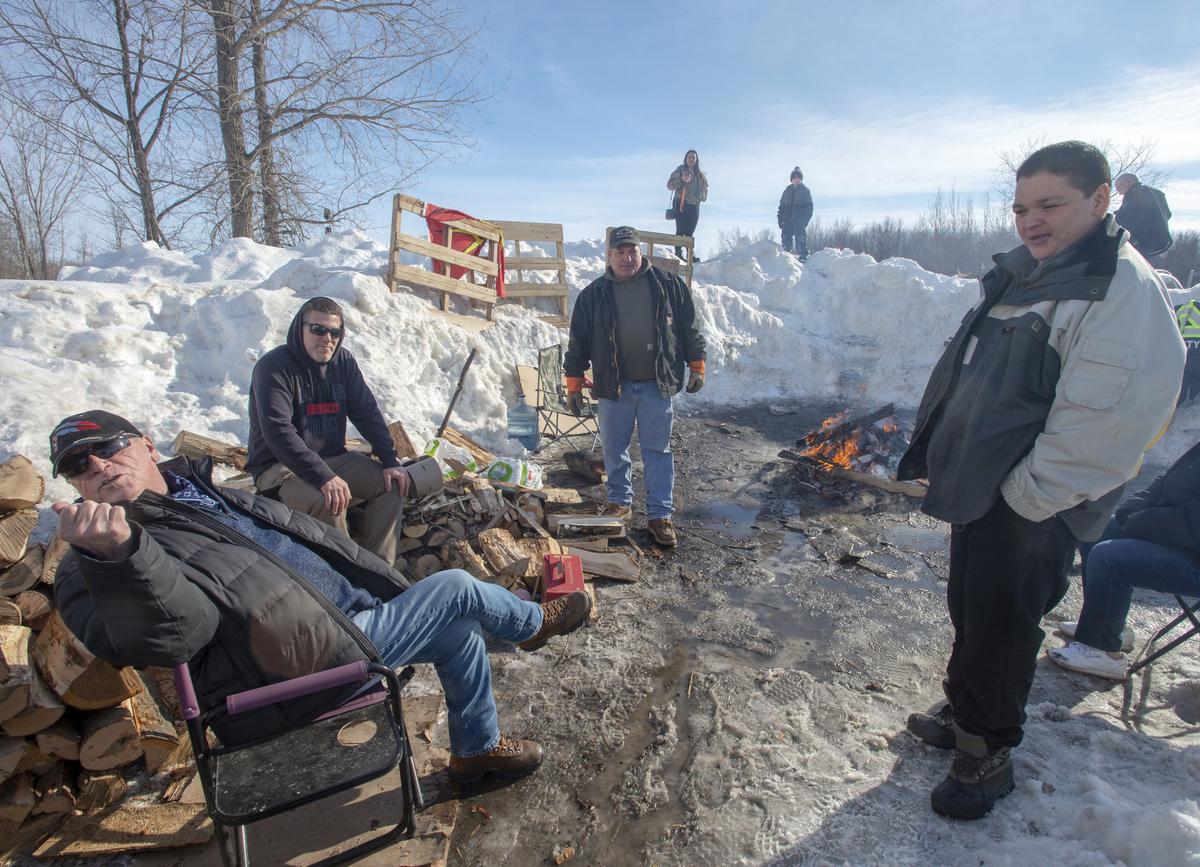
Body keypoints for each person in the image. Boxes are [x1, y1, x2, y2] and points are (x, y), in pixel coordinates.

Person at [49, 409, 592, 782]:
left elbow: (313, 543)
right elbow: (173, 635)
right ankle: (531, 624)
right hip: (291, 678)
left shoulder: (206, 494)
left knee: (458, 631)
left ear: (145, 445)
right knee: (453, 587)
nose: (96, 466)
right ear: (74, 486)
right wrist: (122, 556)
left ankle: (474, 752)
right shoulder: (92, 564)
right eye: (78, 465)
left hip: (341, 622)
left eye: (106, 448)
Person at [896, 141, 1185, 821]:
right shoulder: (1034, 274)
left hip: (1033, 502)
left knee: (1002, 623)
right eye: (1022, 206)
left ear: (1101, 197)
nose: (1031, 219)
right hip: (988, 488)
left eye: (1050, 204)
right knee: (971, 609)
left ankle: (986, 754)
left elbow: (1105, 426)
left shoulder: (1120, 290)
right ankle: (967, 711)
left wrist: (1025, 497)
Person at [563, 226, 706, 548]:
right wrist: (573, 384)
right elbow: (578, 344)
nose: (627, 258)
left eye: (632, 251)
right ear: (609, 256)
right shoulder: (593, 295)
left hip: (658, 384)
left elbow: (689, 328)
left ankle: (660, 515)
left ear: (641, 253)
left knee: (657, 451)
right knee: (615, 450)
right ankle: (620, 502)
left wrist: (696, 364)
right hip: (614, 387)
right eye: (620, 252)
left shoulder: (669, 286)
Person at [246, 296, 409, 566]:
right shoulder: (273, 367)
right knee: (328, 499)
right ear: (300, 328)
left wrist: (390, 460)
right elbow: (278, 431)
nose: (327, 338)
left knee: (391, 486)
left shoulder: (342, 362)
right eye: (318, 330)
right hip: (278, 467)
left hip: (332, 458)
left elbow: (366, 411)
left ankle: (379, 571)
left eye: (335, 332)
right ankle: (344, 579)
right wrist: (323, 476)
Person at [1048, 441, 1200, 680]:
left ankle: (1103, 651)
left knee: (1109, 557)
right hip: (1179, 536)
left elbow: (1192, 523)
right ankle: (1106, 628)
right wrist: (1132, 508)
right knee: (1095, 532)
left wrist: (1141, 521)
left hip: (1194, 559)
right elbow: (1168, 480)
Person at [1114, 172, 1172, 259]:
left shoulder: (1134, 194)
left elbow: (1132, 218)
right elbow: (1168, 214)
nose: (1119, 192)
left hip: (1138, 240)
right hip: (1156, 239)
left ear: (1127, 182)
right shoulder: (1157, 193)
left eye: (1118, 188)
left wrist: (1120, 238)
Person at [667, 149, 708, 261]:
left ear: (696, 160)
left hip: (695, 206)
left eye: (693, 157)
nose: (691, 159)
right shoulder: (680, 170)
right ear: (686, 159)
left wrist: (698, 193)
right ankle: (678, 253)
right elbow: (670, 185)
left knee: (690, 231)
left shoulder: (701, 175)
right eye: (689, 157)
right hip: (681, 203)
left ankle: (690, 255)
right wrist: (681, 180)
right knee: (680, 230)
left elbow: (705, 196)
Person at [777, 167, 814, 259]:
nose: (797, 179)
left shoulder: (805, 191)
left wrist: (804, 221)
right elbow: (781, 208)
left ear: (801, 179)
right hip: (787, 220)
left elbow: (809, 208)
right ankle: (786, 257)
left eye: (799, 177)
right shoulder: (786, 192)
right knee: (786, 239)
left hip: (799, 220)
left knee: (800, 238)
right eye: (795, 177)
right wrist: (780, 219)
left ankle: (803, 255)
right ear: (791, 179)